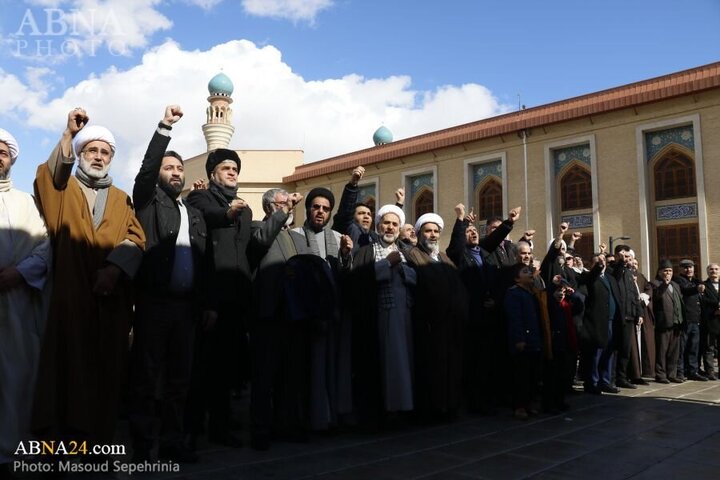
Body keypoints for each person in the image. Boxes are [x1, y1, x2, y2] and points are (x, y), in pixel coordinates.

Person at [32, 108, 146, 447]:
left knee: (105, 376)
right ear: (80, 154)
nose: (98, 157)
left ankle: (97, 446)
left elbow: (136, 238)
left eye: (104, 152)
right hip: (69, 298)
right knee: (63, 373)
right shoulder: (61, 188)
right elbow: (52, 174)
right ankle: (57, 448)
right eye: (92, 150)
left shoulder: (122, 198)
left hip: (108, 303)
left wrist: (113, 270)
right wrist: (68, 134)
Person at [129, 106, 216, 463]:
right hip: (154, 304)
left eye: (180, 168)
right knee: (147, 379)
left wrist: (208, 303)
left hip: (186, 309)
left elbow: (205, 263)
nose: (176, 173)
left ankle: (172, 442)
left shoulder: (192, 214)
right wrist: (164, 128)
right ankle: (142, 446)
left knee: (180, 380)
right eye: (170, 168)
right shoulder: (148, 202)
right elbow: (146, 171)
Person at [185, 147, 255, 447]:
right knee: (203, 367)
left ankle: (221, 423)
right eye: (226, 168)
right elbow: (211, 217)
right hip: (211, 296)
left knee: (227, 368)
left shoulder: (246, 208)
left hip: (236, 299)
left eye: (234, 169)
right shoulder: (200, 198)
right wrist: (228, 213)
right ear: (212, 173)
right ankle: (194, 426)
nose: (231, 173)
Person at [0, 129, 51, 474]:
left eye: (2, 152)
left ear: (11, 159)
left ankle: (9, 450)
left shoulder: (26, 203)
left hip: (15, 303)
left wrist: (19, 273)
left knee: (15, 378)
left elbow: (45, 246)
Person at [445, 203, 520, 414]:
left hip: (490, 315)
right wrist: (461, 220)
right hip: (472, 317)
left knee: (489, 360)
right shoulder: (461, 255)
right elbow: (455, 247)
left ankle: (489, 397)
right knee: (474, 361)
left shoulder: (485, 253)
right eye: (469, 232)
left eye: (474, 231)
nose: (473, 234)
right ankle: (474, 402)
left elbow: (495, 242)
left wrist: (509, 223)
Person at [291, 188, 353, 431]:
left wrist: (346, 256)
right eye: (316, 207)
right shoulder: (294, 235)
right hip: (305, 315)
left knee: (330, 368)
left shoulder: (337, 239)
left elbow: (343, 277)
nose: (320, 212)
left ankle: (328, 416)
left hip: (331, 314)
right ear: (308, 209)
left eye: (326, 209)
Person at [247, 187, 304, 450]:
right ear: (270, 207)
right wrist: (283, 213)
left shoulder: (293, 236)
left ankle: (285, 425)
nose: (289, 207)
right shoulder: (257, 227)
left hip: (291, 315)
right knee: (264, 376)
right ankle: (260, 429)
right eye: (282, 204)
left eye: (289, 204)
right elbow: (260, 243)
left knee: (289, 376)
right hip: (268, 315)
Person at [350, 204, 417, 428]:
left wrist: (403, 270)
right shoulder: (366, 251)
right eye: (386, 223)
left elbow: (416, 277)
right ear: (378, 226)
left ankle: (402, 408)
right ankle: (385, 410)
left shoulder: (407, 251)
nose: (390, 227)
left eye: (394, 224)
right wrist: (386, 264)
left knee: (403, 363)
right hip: (379, 315)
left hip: (404, 314)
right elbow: (359, 279)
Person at [405, 213, 468, 421]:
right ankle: (432, 410)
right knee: (432, 368)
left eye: (435, 231)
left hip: (451, 325)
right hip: (430, 325)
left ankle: (449, 406)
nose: (432, 235)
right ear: (419, 234)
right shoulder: (413, 255)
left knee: (451, 367)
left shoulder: (443, 257)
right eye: (428, 231)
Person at [578, 253, 622, 394]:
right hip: (596, 323)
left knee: (609, 352)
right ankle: (593, 381)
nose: (602, 263)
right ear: (592, 264)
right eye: (598, 261)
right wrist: (597, 268)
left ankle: (606, 381)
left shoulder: (609, 278)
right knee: (596, 353)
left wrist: (620, 262)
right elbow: (590, 278)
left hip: (611, 321)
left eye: (603, 260)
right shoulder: (589, 277)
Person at [504, 263, 542, 419]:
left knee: (533, 375)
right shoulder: (514, 294)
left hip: (534, 340)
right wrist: (519, 339)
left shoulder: (532, 293)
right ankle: (519, 406)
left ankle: (529, 403)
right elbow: (515, 319)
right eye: (525, 272)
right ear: (516, 278)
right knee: (521, 376)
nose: (529, 274)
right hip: (523, 341)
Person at [650, 260, 684, 384]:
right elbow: (656, 297)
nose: (668, 273)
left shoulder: (675, 285)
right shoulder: (654, 284)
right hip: (663, 323)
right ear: (659, 272)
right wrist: (664, 284)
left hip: (676, 323)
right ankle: (660, 374)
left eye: (670, 271)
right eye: (665, 271)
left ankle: (672, 374)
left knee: (674, 351)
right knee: (662, 350)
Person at [675, 259, 708, 381]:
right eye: (685, 267)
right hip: (686, 320)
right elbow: (686, 290)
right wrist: (697, 288)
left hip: (696, 320)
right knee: (683, 347)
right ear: (680, 269)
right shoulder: (679, 280)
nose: (688, 270)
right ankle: (681, 371)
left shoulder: (695, 281)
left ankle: (693, 371)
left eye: (691, 267)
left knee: (694, 347)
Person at [700, 263, 720, 380]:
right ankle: (710, 371)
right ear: (707, 272)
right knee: (709, 348)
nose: (714, 271)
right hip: (710, 321)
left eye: (716, 269)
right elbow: (703, 300)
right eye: (711, 269)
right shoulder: (704, 285)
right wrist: (716, 307)